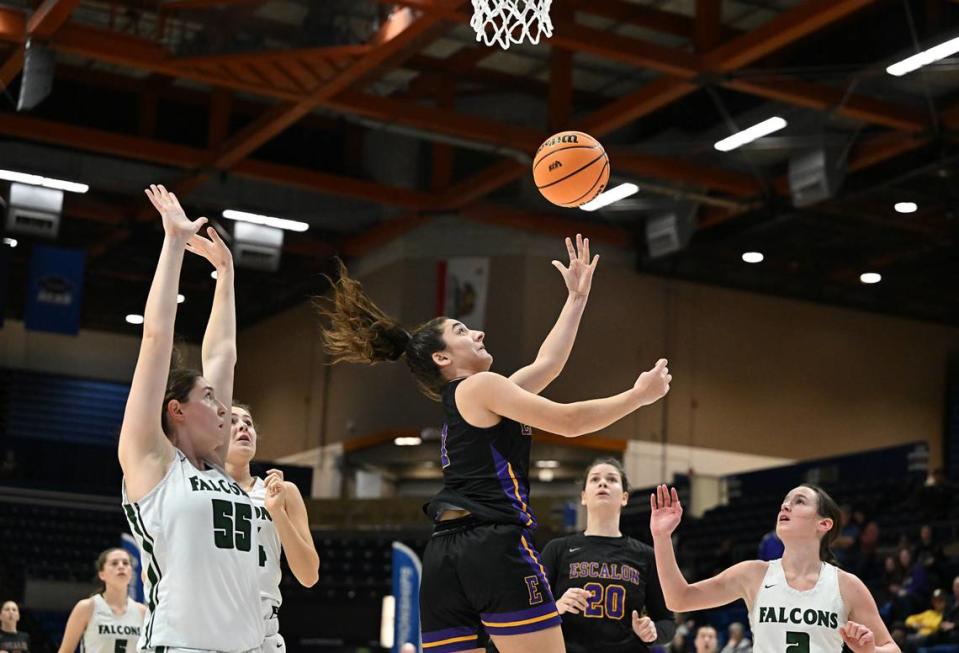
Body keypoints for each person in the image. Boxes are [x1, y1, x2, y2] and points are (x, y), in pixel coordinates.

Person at [316, 235, 671, 653]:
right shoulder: (482, 387)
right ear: (442, 359)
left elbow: (548, 365)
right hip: (492, 546)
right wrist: (637, 397)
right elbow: (571, 422)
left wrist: (576, 299)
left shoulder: (481, 397)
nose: (479, 332)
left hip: (444, 555)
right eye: (463, 331)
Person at [118, 185, 262, 652]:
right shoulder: (152, 462)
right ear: (175, 409)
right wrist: (174, 242)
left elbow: (223, 353)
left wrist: (226, 276)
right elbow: (156, 339)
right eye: (209, 398)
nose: (224, 407)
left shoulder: (216, 466)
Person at [650, 484, 900, 653]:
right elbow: (679, 599)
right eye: (785, 502)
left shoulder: (847, 586)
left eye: (799, 501)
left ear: (823, 524)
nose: (786, 506)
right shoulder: (753, 574)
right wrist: (661, 537)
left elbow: (891, 648)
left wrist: (872, 651)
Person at [537, 458, 674, 652]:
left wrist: (653, 632)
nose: (603, 483)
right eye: (595, 479)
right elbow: (529, 610)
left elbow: (667, 622)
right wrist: (556, 607)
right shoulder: (557, 549)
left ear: (624, 498)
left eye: (611, 479)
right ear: (583, 497)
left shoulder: (645, 555)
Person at [225, 403, 320, 652]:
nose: (243, 426)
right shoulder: (198, 488)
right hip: (213, 617)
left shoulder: (284, 491)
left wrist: (277, 512)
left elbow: (309, 575)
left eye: (248, 422)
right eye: (233, 421)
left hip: (263, 624)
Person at [57, 548, 146, 653]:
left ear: (131, 573)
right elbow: (65, 651)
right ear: (102, 574)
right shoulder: (86, 607)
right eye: (114, 563)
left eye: (126, 563)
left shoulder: (142, 612)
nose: (121, 566)